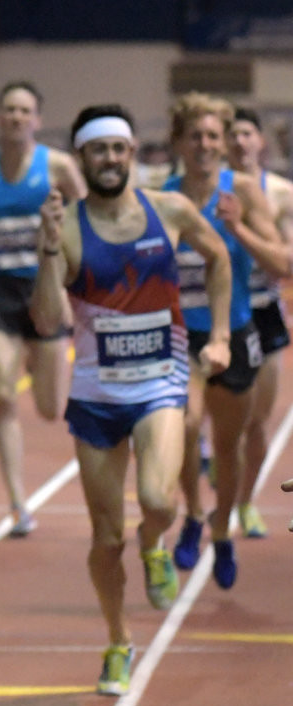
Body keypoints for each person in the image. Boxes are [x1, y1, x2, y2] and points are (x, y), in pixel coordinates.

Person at [32, 104, 232, 696]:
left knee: (157, 501)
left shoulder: (168, 210)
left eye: (119, 148)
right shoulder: (68, 227)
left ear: (133, 153)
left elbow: (219, 258)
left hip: (160, 383)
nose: (111, 159)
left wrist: (220, 335)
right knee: (105, 539)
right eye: (99, 149)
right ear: (82, 157)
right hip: (96, 395)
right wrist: (48, 251)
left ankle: (154, 541)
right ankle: (118, 642)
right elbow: (46, 319)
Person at [162, 92, 290, 589]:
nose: (205, 144)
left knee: (228, 444)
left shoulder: (244, 191)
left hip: (234, 331)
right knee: (186, 424)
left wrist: (238, 228)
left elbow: (282, 263)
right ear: (178, 142)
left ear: (223, 143)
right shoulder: (163, 197)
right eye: (195, 136)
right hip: (181, 335)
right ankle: (194, 514)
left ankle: (221, 531)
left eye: (213, 136)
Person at [0, 81, 87, 535]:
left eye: (24, 110)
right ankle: (17, 504)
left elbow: (87, 218)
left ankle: (37, 357)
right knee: (5, 395)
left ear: (37, 120)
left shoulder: (59, 166)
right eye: (9, 109)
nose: (16, 117)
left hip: (45, 291)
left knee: (50, 408)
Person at [225, 106, 293, 538]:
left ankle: (246, 502)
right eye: (232, 134)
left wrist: (243, 232)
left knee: (256, 422)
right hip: (213, 313)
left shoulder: (282, 194)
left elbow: (287, 262)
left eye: (247, 133)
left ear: (260, 142)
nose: (239, 141)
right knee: (212, 420)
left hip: (263, 311)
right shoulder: (202, 189)